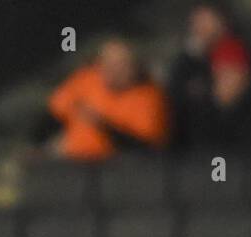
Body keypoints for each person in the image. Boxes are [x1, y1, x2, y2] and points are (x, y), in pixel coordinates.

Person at [40, 39, 170, 161]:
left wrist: (103, 125)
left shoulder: (148, 98)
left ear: (135, 67)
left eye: (121, 65)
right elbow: (53, 114)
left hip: (118, 170)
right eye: (108, 64)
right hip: (74, 164)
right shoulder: (86, 80)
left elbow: (145, 147)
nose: (114, 71)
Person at [167, 2, 251, 151]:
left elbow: (227, 97)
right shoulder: (190, 60)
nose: (201, 27)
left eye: (207, 20)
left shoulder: (235, 49)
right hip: (198, 148)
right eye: (197, 21)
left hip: (240, 148)